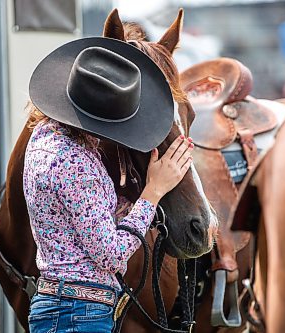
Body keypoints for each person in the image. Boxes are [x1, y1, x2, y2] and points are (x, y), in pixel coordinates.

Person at [24, 36, 193, 332]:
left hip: (62, 307)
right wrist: (153, 192)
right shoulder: (76, 164)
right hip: (80, 314)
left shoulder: (42, 138)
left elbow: (83, 219)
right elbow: (111, 254)